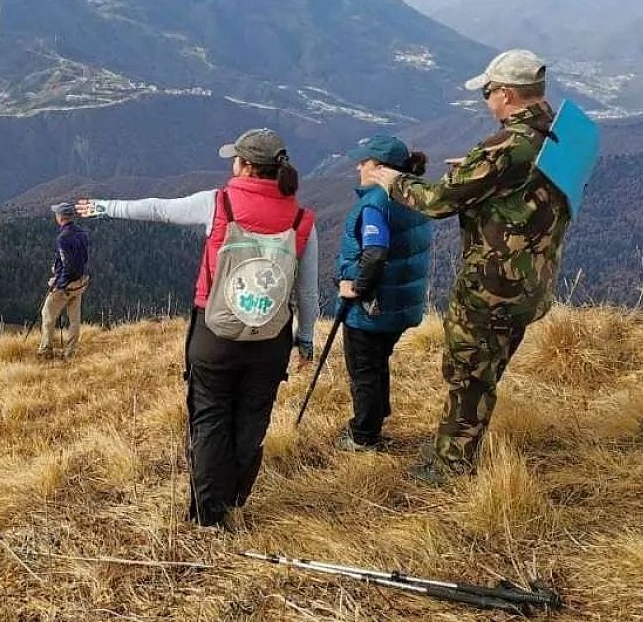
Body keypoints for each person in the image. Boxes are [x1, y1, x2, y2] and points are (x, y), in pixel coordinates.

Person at [77, 128, 319, 527]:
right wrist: (305, 339)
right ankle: (235, 501)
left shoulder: (218, 203)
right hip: (270, 337)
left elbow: (158, 209)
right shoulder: (300, 219)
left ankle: (209, 512)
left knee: (209, 417)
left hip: (215, 332)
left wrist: (104, 207)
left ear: (244, 165)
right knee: (252, 419)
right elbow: (306, 293)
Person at [365, 49, 572, 485]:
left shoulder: (503, 147)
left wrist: (390, 180)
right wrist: (480, 174)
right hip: (532, 282)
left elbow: (437, 202)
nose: (486, 99)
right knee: (488, 367)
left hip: (491, 287)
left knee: (468, 372)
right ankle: (456, 442)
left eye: (488, 91)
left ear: (508, 94)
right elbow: (527, 186)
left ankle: (451, 464)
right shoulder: (557, 134)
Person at [333, 135, 432, 453]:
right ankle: (374, 420)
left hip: (373, 305)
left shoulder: (376, 202)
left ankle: (363, 436)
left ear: (380, 168)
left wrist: (356, 289)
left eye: (365, 161)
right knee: (376, 363)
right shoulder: (412, 197)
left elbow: (375, 252)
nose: (359, 165)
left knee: (364, 370)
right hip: (400, 304)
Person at [38, 202, 90, 358]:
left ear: (60, 217)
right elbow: (83, 258)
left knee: (47, 313)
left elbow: (68, 265)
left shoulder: (62, 238)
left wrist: (58, 283)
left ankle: (46, 350)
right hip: (80, 282)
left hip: (66, 285)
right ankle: (70, 352)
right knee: (74, 319)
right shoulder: (82, 234)